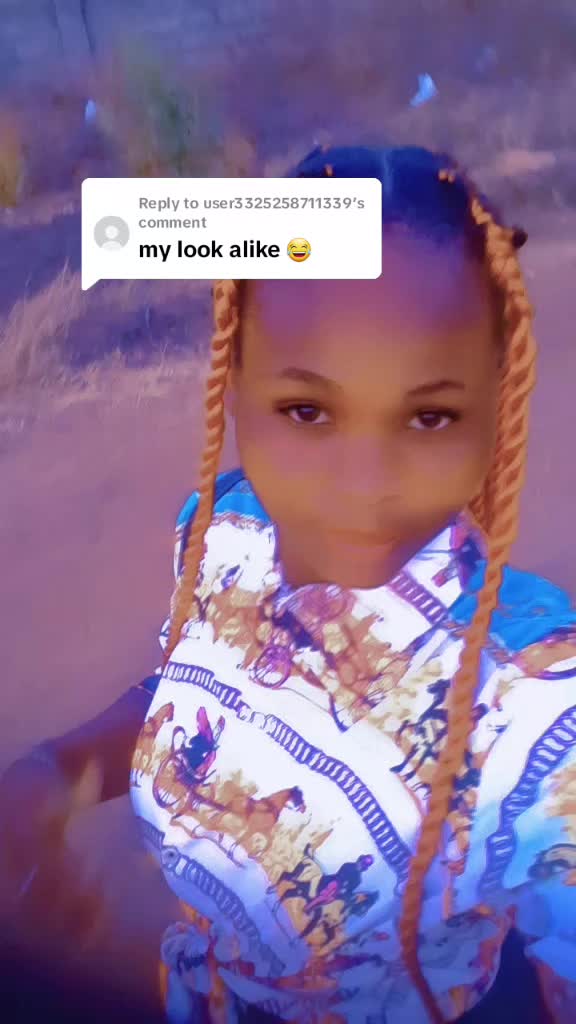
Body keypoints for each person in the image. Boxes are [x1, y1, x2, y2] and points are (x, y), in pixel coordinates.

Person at [1, 145, 575, 1024]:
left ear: (494, 412)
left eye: (430, 415)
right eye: (307, 410)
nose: (364, 484)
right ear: (234, 388)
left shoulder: (531, 700)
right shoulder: (225, 534)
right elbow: (198, 685)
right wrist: (58, 770)